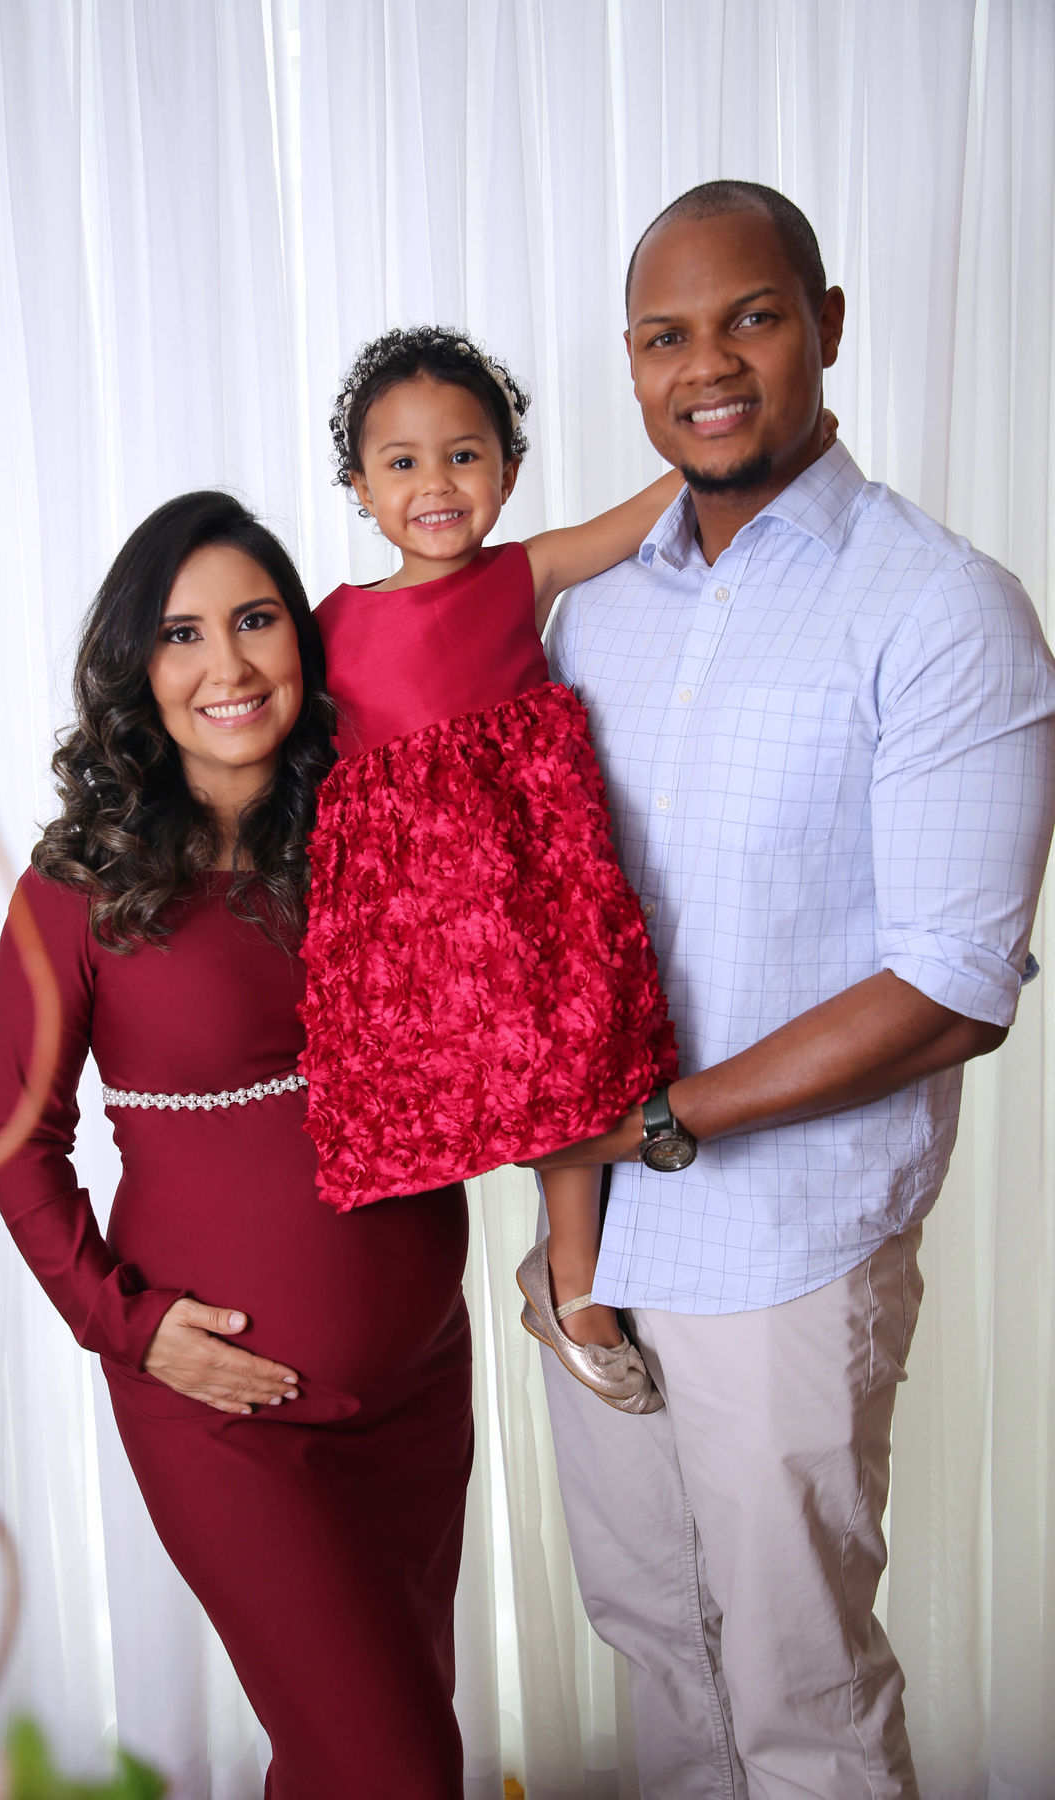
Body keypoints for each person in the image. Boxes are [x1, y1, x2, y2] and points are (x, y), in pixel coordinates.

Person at [531, 180, 1055, 1796]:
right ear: (630, 363)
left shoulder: (941, 607)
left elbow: (954, 984)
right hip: (592, 1250)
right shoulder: (590, 614)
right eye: (664, 336)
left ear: (826, 325)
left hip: (788, 1247)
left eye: (751, 318)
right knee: (658, 1653)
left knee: (798, 1696)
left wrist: (660, 1120)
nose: (708, 366)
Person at [0, 492, 473, 1800]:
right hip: (225, 1407)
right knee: (400, 1772)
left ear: (300, 637)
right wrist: (126, 1328)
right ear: (138, 669)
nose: (228, 665)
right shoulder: (75, 889)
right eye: (182, 634)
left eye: (255, 620)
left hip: (422, 1381)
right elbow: (15, 1144)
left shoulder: (374, 827)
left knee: (350, 1754)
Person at [299, 324, 683, 1411]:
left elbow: (647, 512)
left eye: (464, 455)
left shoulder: (527, 571)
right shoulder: (327, 628)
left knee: (576, 1065)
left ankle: (572, 1277)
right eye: (402, 462)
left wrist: (783, 440)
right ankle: (384, 1316)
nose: (436, 484)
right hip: (414, 916)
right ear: (360, 487)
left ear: (508, 473)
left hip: (532, 884)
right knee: (414, 1107)